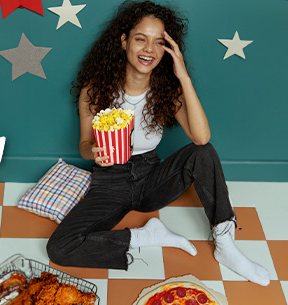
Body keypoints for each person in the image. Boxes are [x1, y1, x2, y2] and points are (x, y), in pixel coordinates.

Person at [46, 0, 269, 286]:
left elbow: (201, 138)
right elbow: (84, 144)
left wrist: (183, 76)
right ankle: (148, 236)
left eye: (158, 42)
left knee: (204, 152)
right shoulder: (95, 89)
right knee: (59, 247)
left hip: (151, 176)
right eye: (140, 39)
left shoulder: (167, 90)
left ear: (167, 50)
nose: (149, 49)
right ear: (124, 41)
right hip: (110, 179)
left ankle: (226, 244)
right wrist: (92, 152)